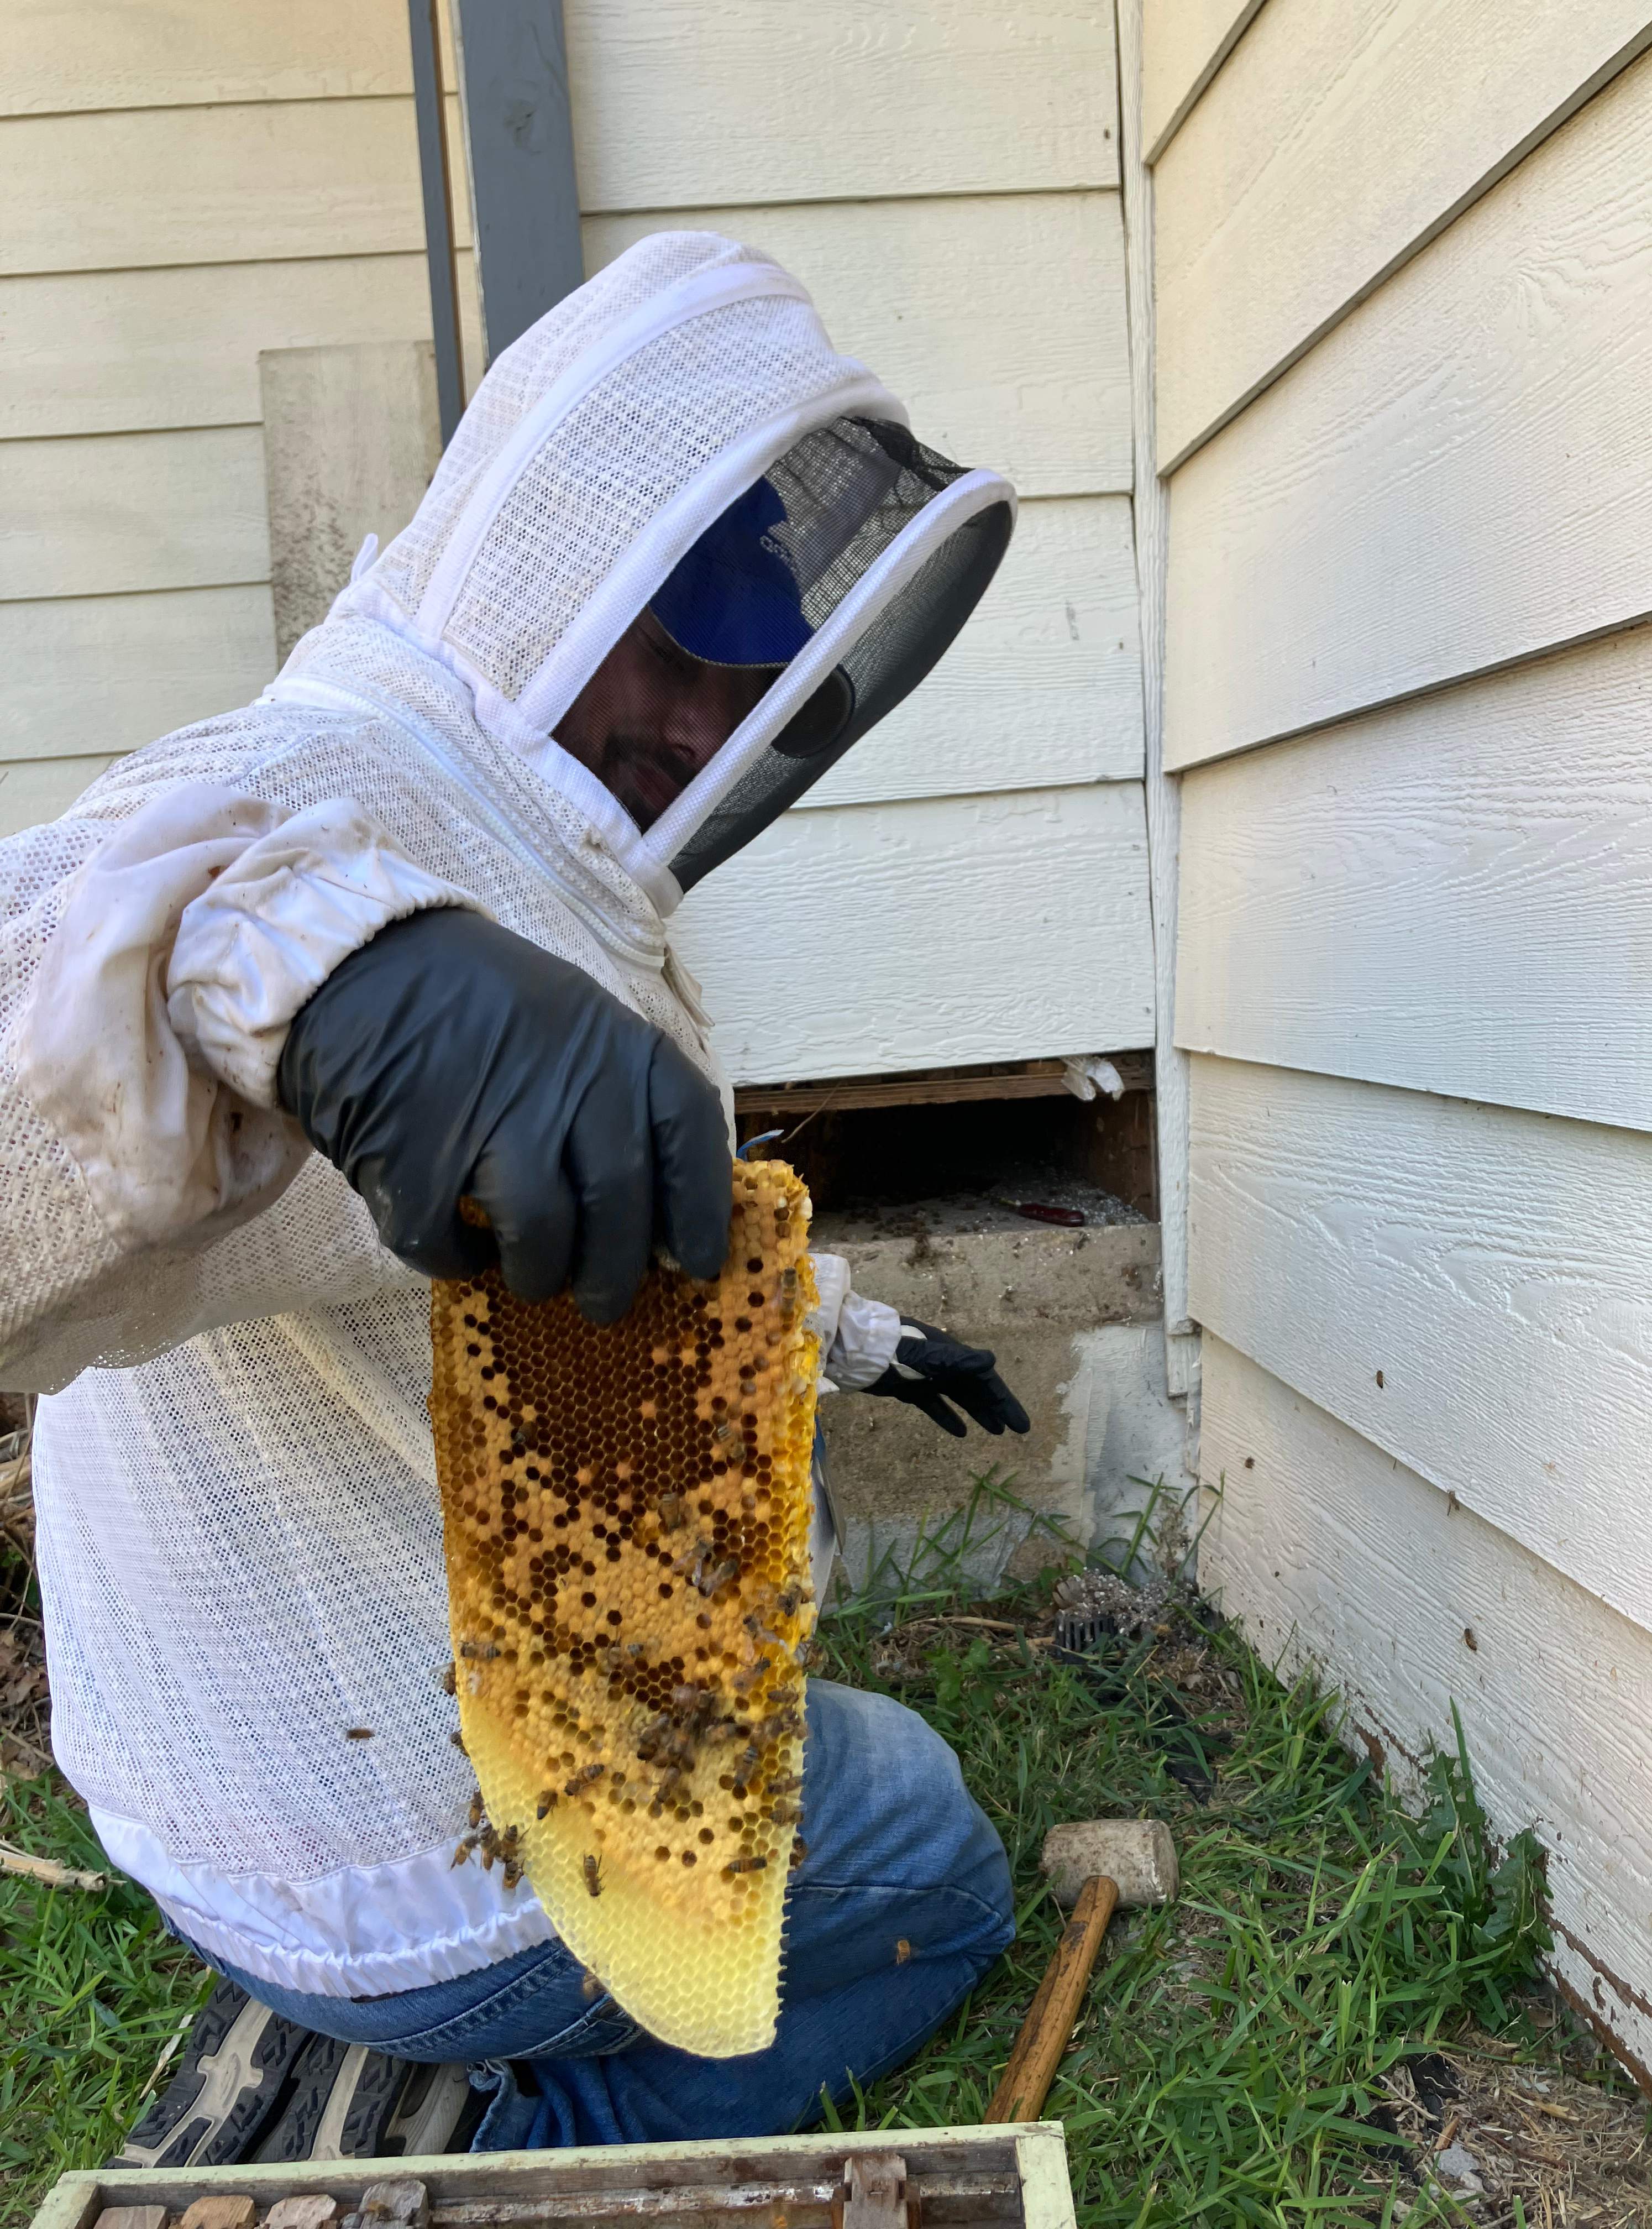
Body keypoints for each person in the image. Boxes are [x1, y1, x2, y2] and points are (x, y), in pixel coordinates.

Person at [1, 234, 1031, 2159]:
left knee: (788, 1725)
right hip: (408, 1864)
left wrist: (869, 1340)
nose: (698, 726)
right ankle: (494, 2152)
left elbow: (630, 1225)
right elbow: (82, 934)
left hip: (213, 1809)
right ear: (561, 569)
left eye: (744, 683)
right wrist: (304, 980)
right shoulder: (334, 788)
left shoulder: (510, 835)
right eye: (667, 648)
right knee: (938, 1846)